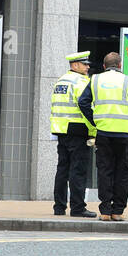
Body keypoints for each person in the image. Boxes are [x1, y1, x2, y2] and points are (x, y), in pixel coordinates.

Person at [79, 52, 128, 222]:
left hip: (103, 133)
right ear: (120, 65)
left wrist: (94, 120)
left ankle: (105, 210)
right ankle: (118, 211)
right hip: (123, 135)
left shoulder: (95, 80)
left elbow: (82, 102)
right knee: (122, 172)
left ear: (104, 66)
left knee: (105, 171)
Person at [50, 51, 98, 218]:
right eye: (85, 64)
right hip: (78, 130)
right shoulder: (82, 81)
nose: (88, 67)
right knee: (78, 170)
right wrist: (94, 128)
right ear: (75, 65)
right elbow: (86, 107)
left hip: (62, 130)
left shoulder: (61, 81)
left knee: (62, 169)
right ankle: (78, 208)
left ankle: (59, 207)